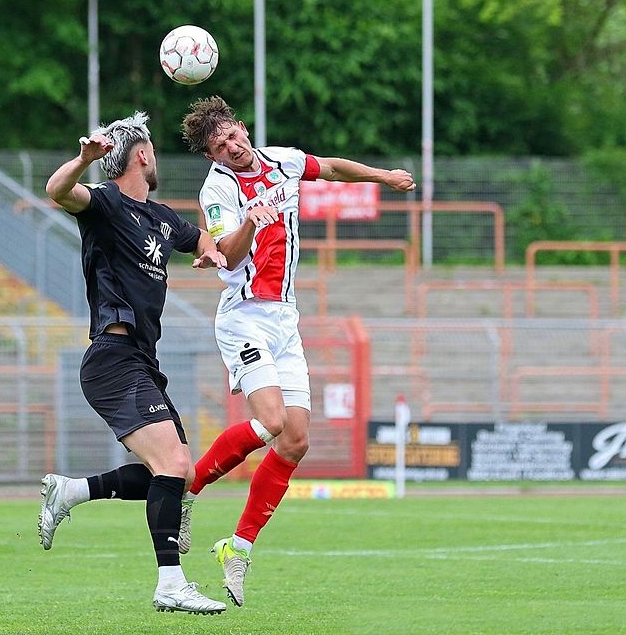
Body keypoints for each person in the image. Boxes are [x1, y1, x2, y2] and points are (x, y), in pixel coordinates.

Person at [178, 96, 416, 607]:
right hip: (243, 315)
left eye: (235, 136)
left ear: (243, 129)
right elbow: (229, 253)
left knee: (296, 440)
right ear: (211, 156)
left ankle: (236, 549)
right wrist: (253, 221)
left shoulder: (280, 160)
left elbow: (329, 167)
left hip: (284, 318)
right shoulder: (217, 188)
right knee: (270, 422)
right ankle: (187, 492)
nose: (234, 148)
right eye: (221, 146)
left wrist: (384, 176)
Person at [37, 111, 228, 615]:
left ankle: (73, 491)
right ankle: (170, 582)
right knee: (174, 465)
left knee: (176, 476)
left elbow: (201, 239)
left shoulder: (163, 218)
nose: (156, 155)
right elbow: (57, 191)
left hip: (141, 361)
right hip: (112, 357)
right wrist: (84, 159)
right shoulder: (105, 204)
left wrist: (210, 250)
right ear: (141, 154)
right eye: (153, 148)